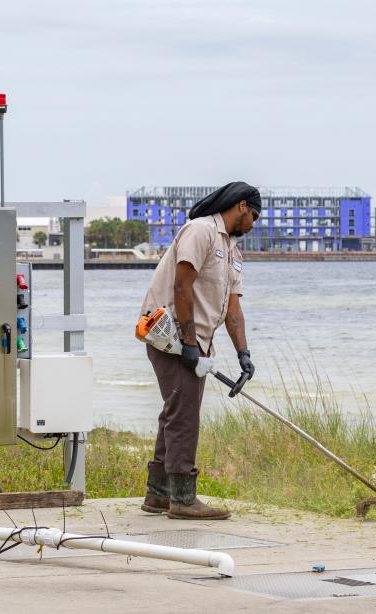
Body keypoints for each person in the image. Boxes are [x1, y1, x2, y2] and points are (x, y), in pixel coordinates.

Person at [139, 181, 259, 520]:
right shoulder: (200, 231)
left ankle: (158, 495)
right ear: (240, 206)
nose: (253, 225)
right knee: (184, 414)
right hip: (170, 335)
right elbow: (181, 284)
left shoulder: (232, 251)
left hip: (197, 342)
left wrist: (244, 354)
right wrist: (188, 343)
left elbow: (233, 308)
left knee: (176, 409)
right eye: (254, 216)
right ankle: (183, 499)